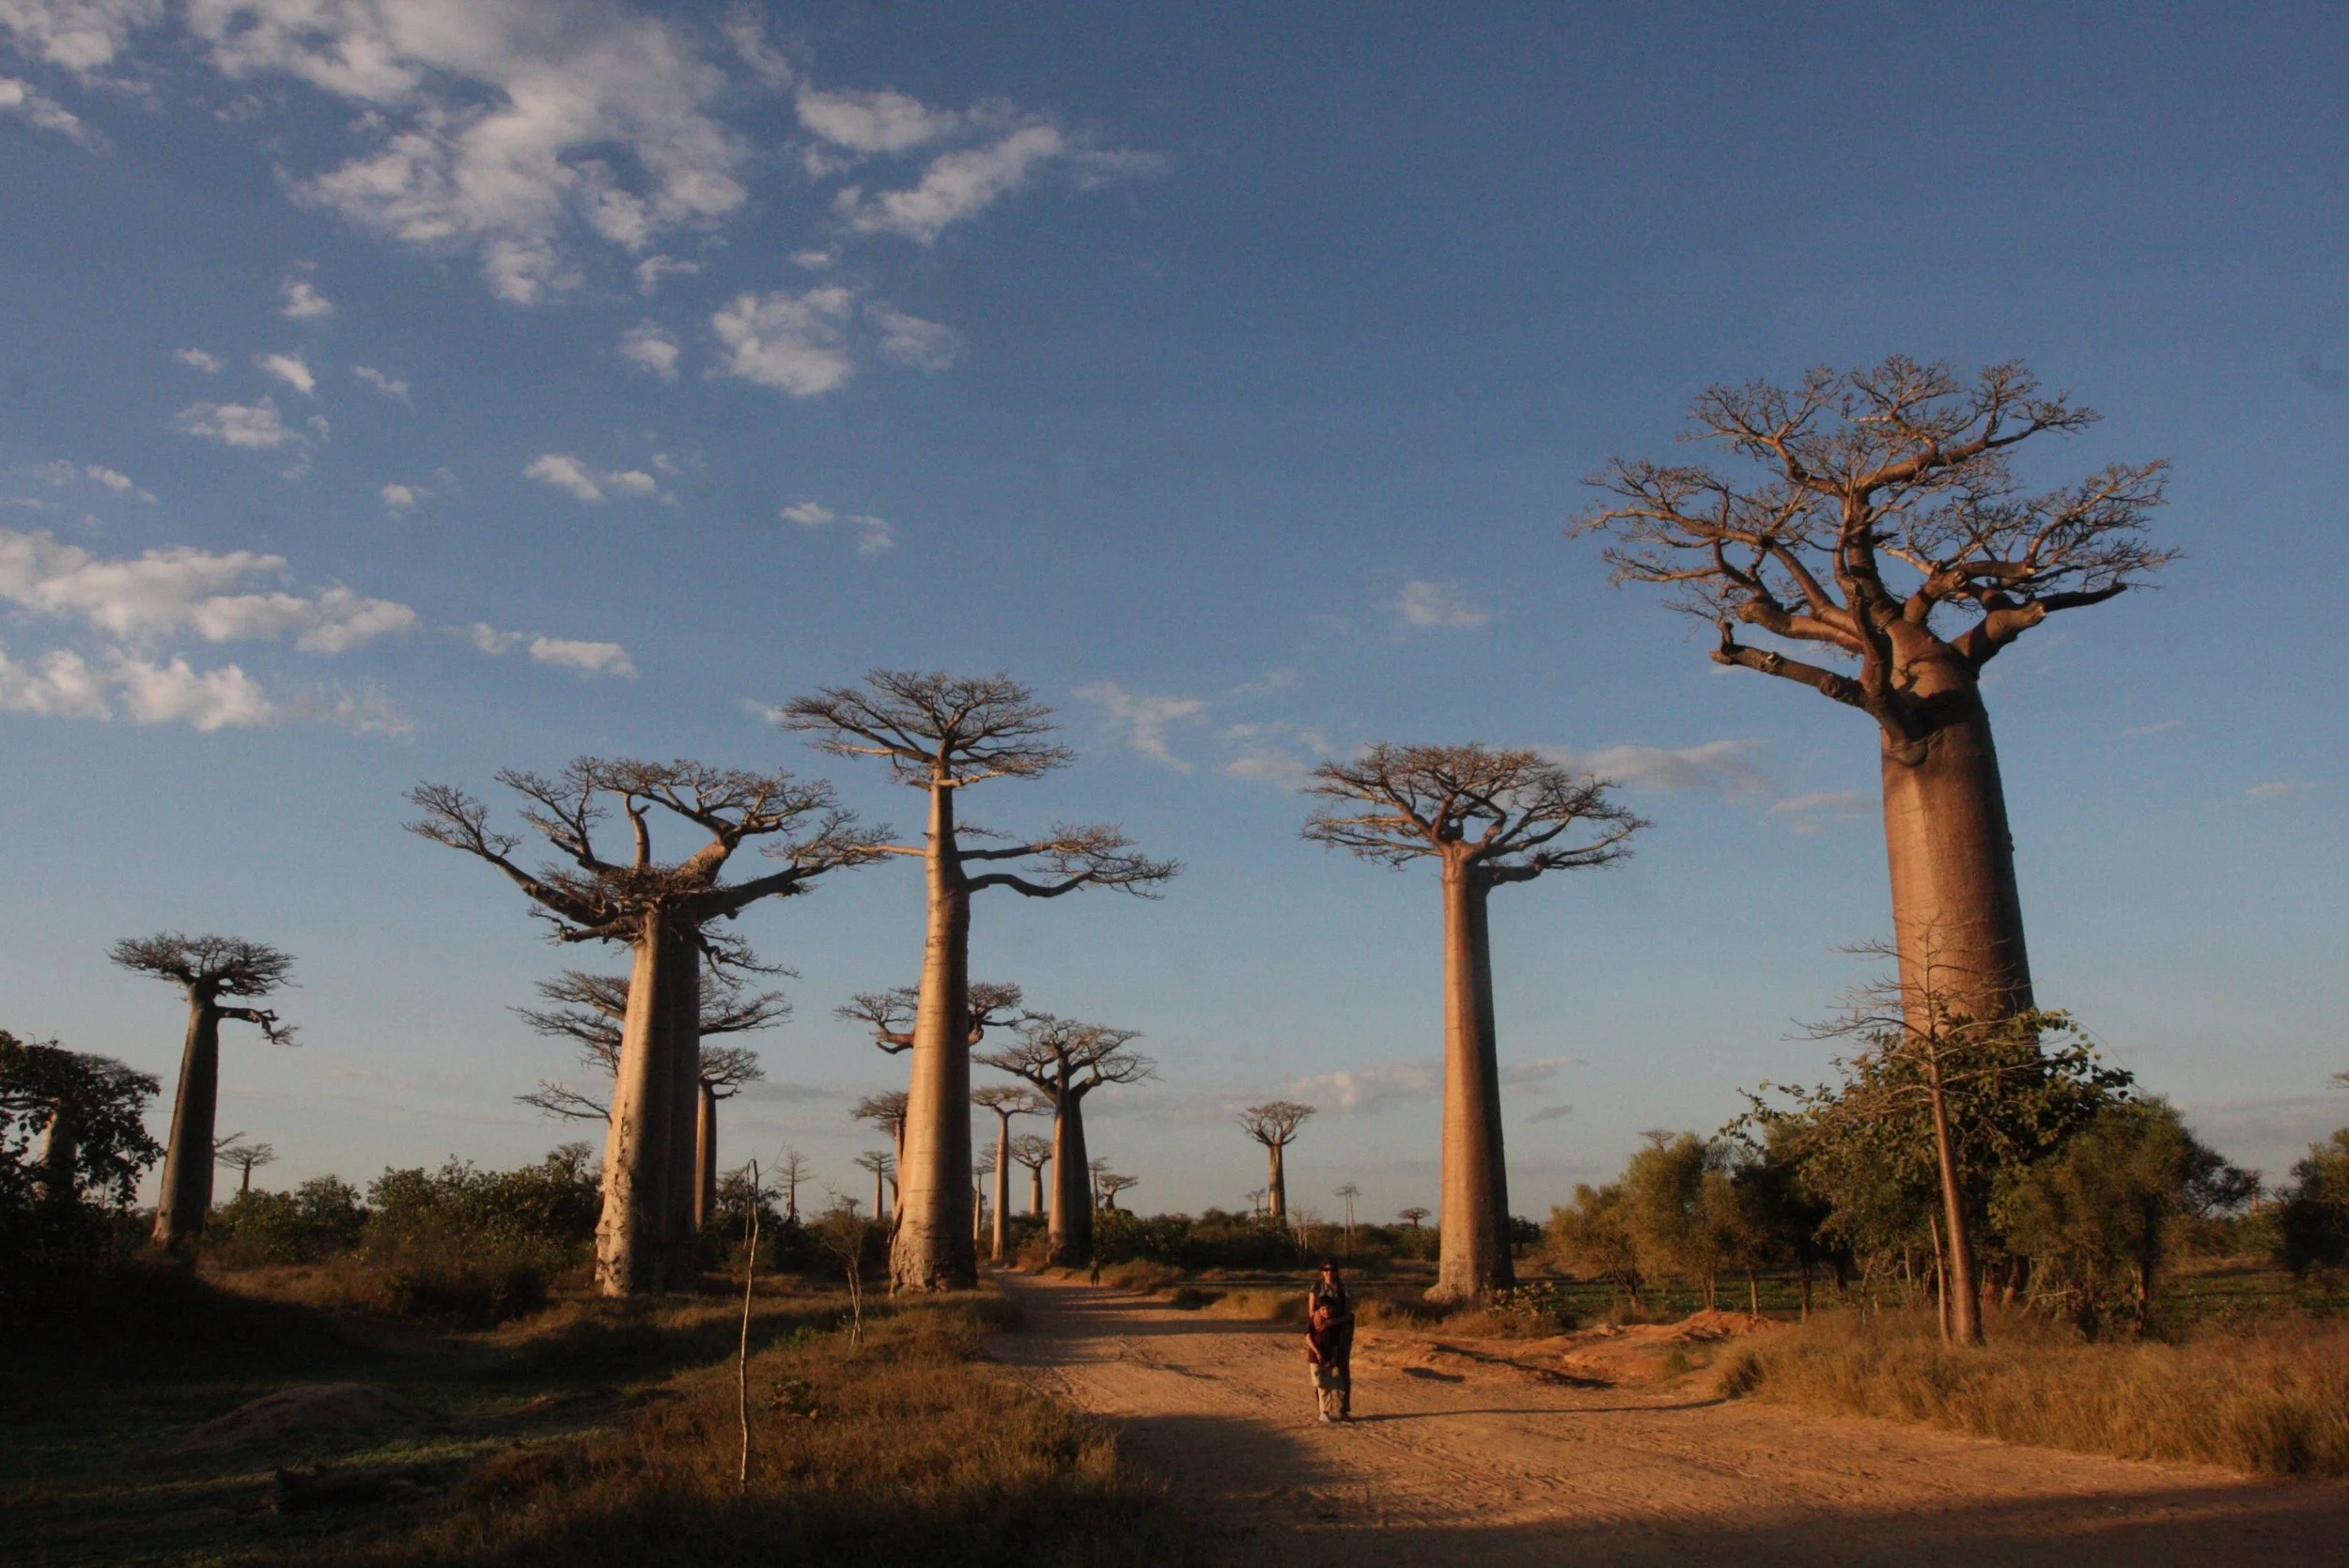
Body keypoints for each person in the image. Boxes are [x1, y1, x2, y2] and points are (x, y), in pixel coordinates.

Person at [1304, 1259, 1354, 1421]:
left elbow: (1348, 1314)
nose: (1328, 1273)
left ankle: (1343, 1409)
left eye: (1332, 1270)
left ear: (1336, 1271)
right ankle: (1323, 1410)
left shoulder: (1343, 1288)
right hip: (1322, 1335)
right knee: (1320, 1373)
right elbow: (1311, 1311)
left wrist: (1333, 1321)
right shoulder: (1316, 1287)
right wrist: (1318, 1317)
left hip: (1341, 1333)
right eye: (1325, 1270)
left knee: (1342, 1370)